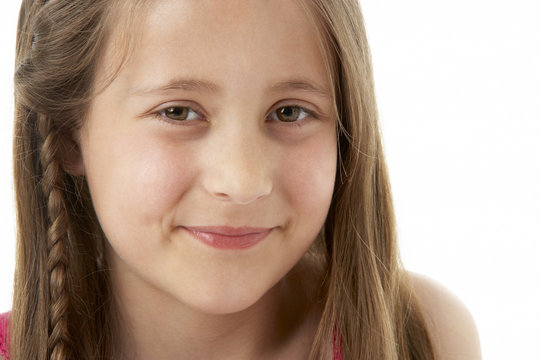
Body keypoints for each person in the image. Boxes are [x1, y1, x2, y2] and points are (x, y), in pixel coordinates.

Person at [0, 0, 482, 359]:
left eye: (289, 112)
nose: (243, 180)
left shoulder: (423, 335)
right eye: (179, 111)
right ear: (67, 134)